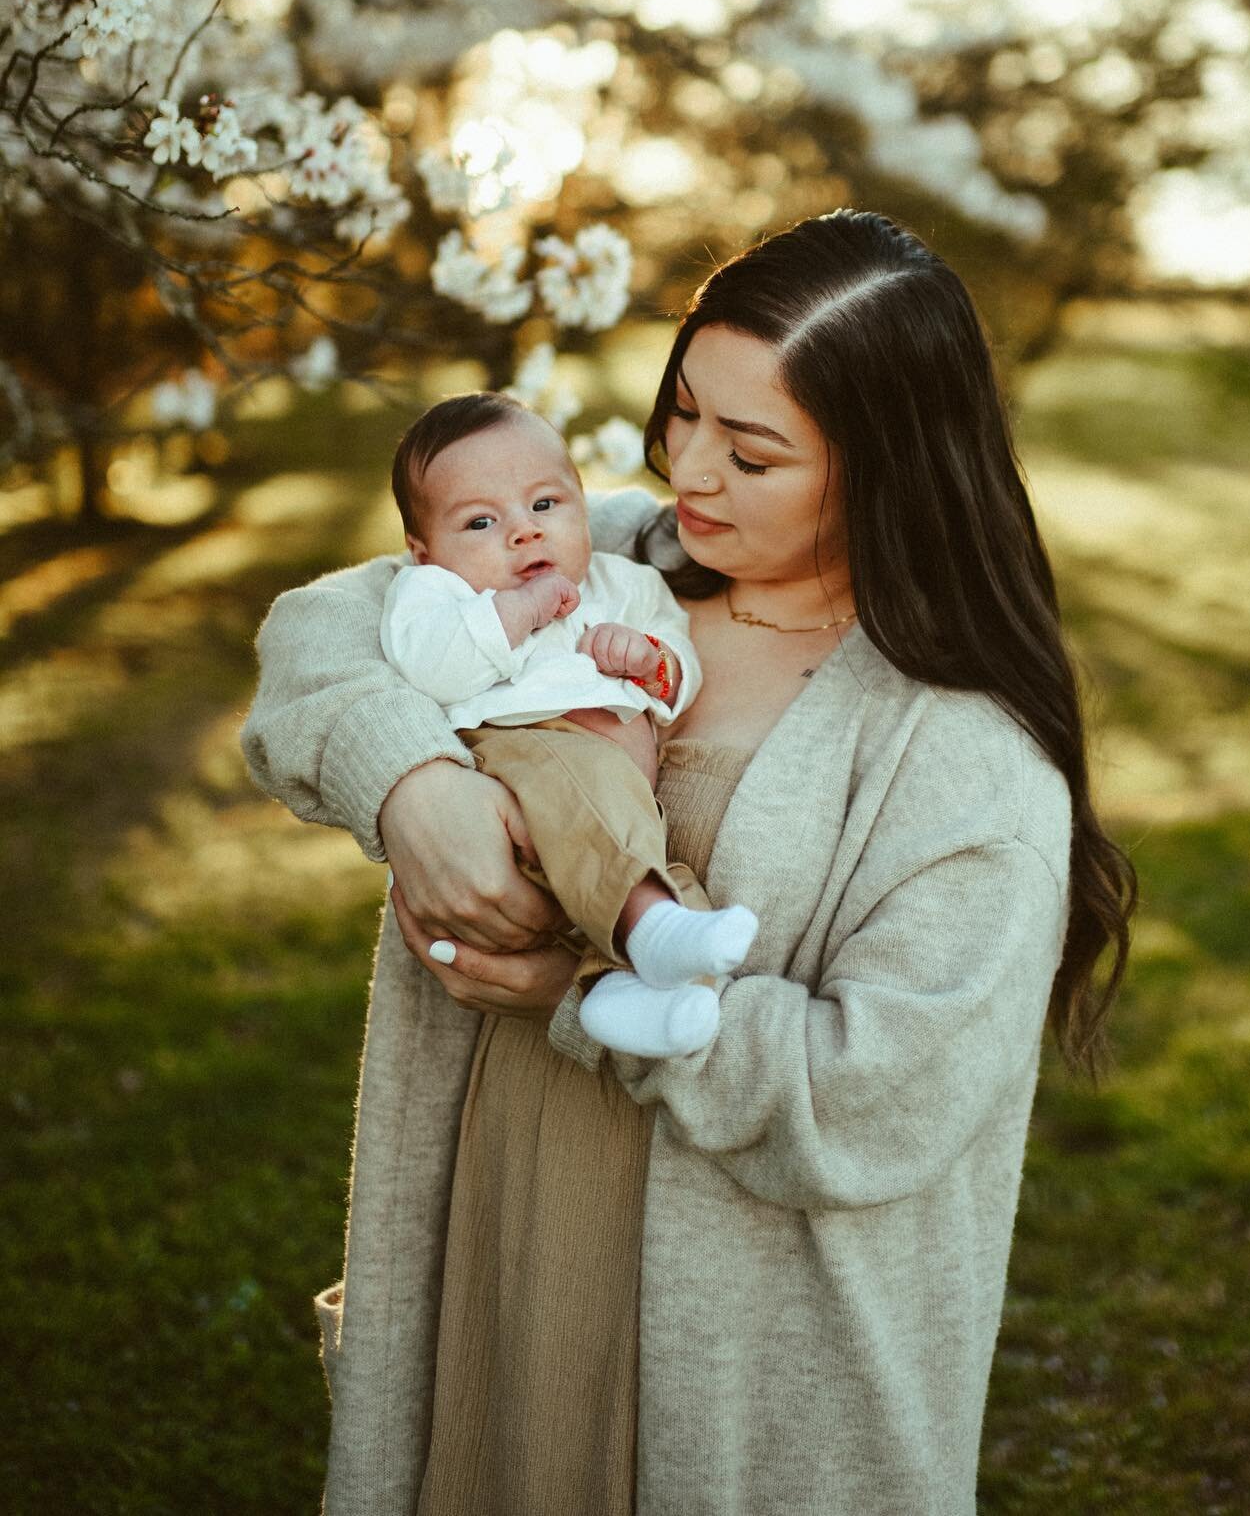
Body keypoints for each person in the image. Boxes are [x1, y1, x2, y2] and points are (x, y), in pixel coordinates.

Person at [240, 207, 1137, 1516]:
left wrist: (566, 993)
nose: (690, 471)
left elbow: (862, 1094)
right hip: (509, 1217)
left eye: (752, 450)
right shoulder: (607, 555)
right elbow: (317, 637)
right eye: (684, 413)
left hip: (732, 1344)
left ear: (885, 468)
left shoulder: (963, 757)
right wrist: (413, 783)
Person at [377, 388, 759, 1058]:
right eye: (479, 523)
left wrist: (650, 660)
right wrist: (517, 611)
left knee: (659, 871)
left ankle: (624, 996)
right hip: (521, 756)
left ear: (583, 506)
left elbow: (680, 656)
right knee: (603, 824)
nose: (523, 531)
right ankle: (650, 931)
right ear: (424, 551)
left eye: (545, 506)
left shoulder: (626, 584)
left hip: (616, 801)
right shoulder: (435, 593)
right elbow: (428, 665)